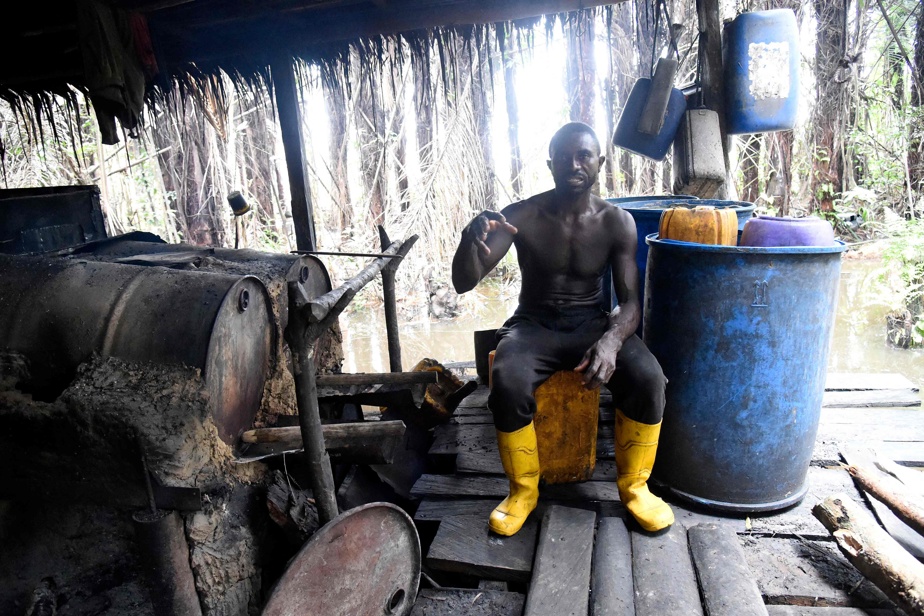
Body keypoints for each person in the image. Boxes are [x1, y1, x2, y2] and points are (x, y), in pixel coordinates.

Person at [451, 122, 673, 536]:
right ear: (550, 164)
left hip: (592, 324)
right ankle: (522, 490)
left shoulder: (617, 222)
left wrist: (610, 340)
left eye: (584, 155)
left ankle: (635, 489)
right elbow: (465, 281)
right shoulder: (521, 216)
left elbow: (629, 303)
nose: (575, 164)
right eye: (565, 157)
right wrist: (469, 242)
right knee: (507, 380)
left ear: (599, 163)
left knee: (649, 378)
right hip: (534, 325)